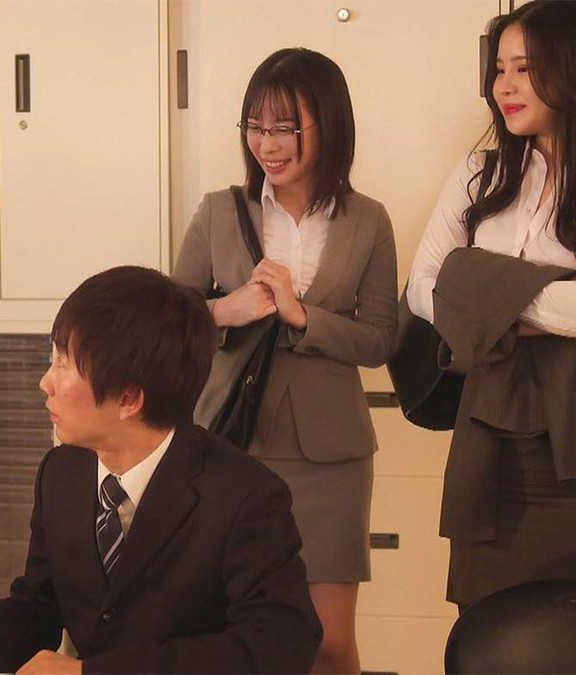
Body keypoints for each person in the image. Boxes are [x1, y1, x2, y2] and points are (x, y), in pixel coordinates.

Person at [0, 265, 322, 674]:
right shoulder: (62, 473)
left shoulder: (244, 495)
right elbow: (41, 602)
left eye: (63, 363)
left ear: (128, 399)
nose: (45, 382)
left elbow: (279, 645)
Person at [405, 0, 576, 610]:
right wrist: (562, 289)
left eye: (524, 68)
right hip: (487, 445)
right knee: (485, 635)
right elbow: (421, 288)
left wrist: (482, 298)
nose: (504, 86)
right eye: (499, 69)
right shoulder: (478, 173)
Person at [172, 48, 398, 674]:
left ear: (329, 124)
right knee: (226, 631)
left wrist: (304, 318)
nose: (266, 144)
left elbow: (381, 339)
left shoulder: (369, 220)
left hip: (331, 457)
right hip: (229, 445)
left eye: (284, 127)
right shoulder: (219, 210)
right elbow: (168, 319)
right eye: (255, 126)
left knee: (328, 642)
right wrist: (229, 308)